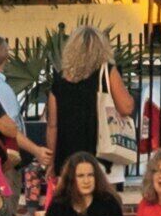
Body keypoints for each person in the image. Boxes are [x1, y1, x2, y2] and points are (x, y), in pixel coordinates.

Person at [41, 24, 136, 171]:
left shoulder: (60, 81)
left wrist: (52, 162)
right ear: (102, 48)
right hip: (102, 155)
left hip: (67, 159)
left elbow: (52, 125)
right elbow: (126, 108)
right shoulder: (107, 72)